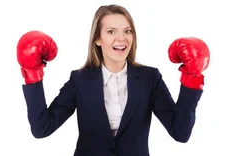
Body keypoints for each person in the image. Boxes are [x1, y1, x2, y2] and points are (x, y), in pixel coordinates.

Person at [16, 4, 209, 155]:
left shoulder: (150, 78)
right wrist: (32, 74)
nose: (121, 38)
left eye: (127, 31)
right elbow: (42, 128)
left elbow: (180, 133)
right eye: (111, 31)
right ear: (97, 39)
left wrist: (191, 78)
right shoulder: (80, 80)